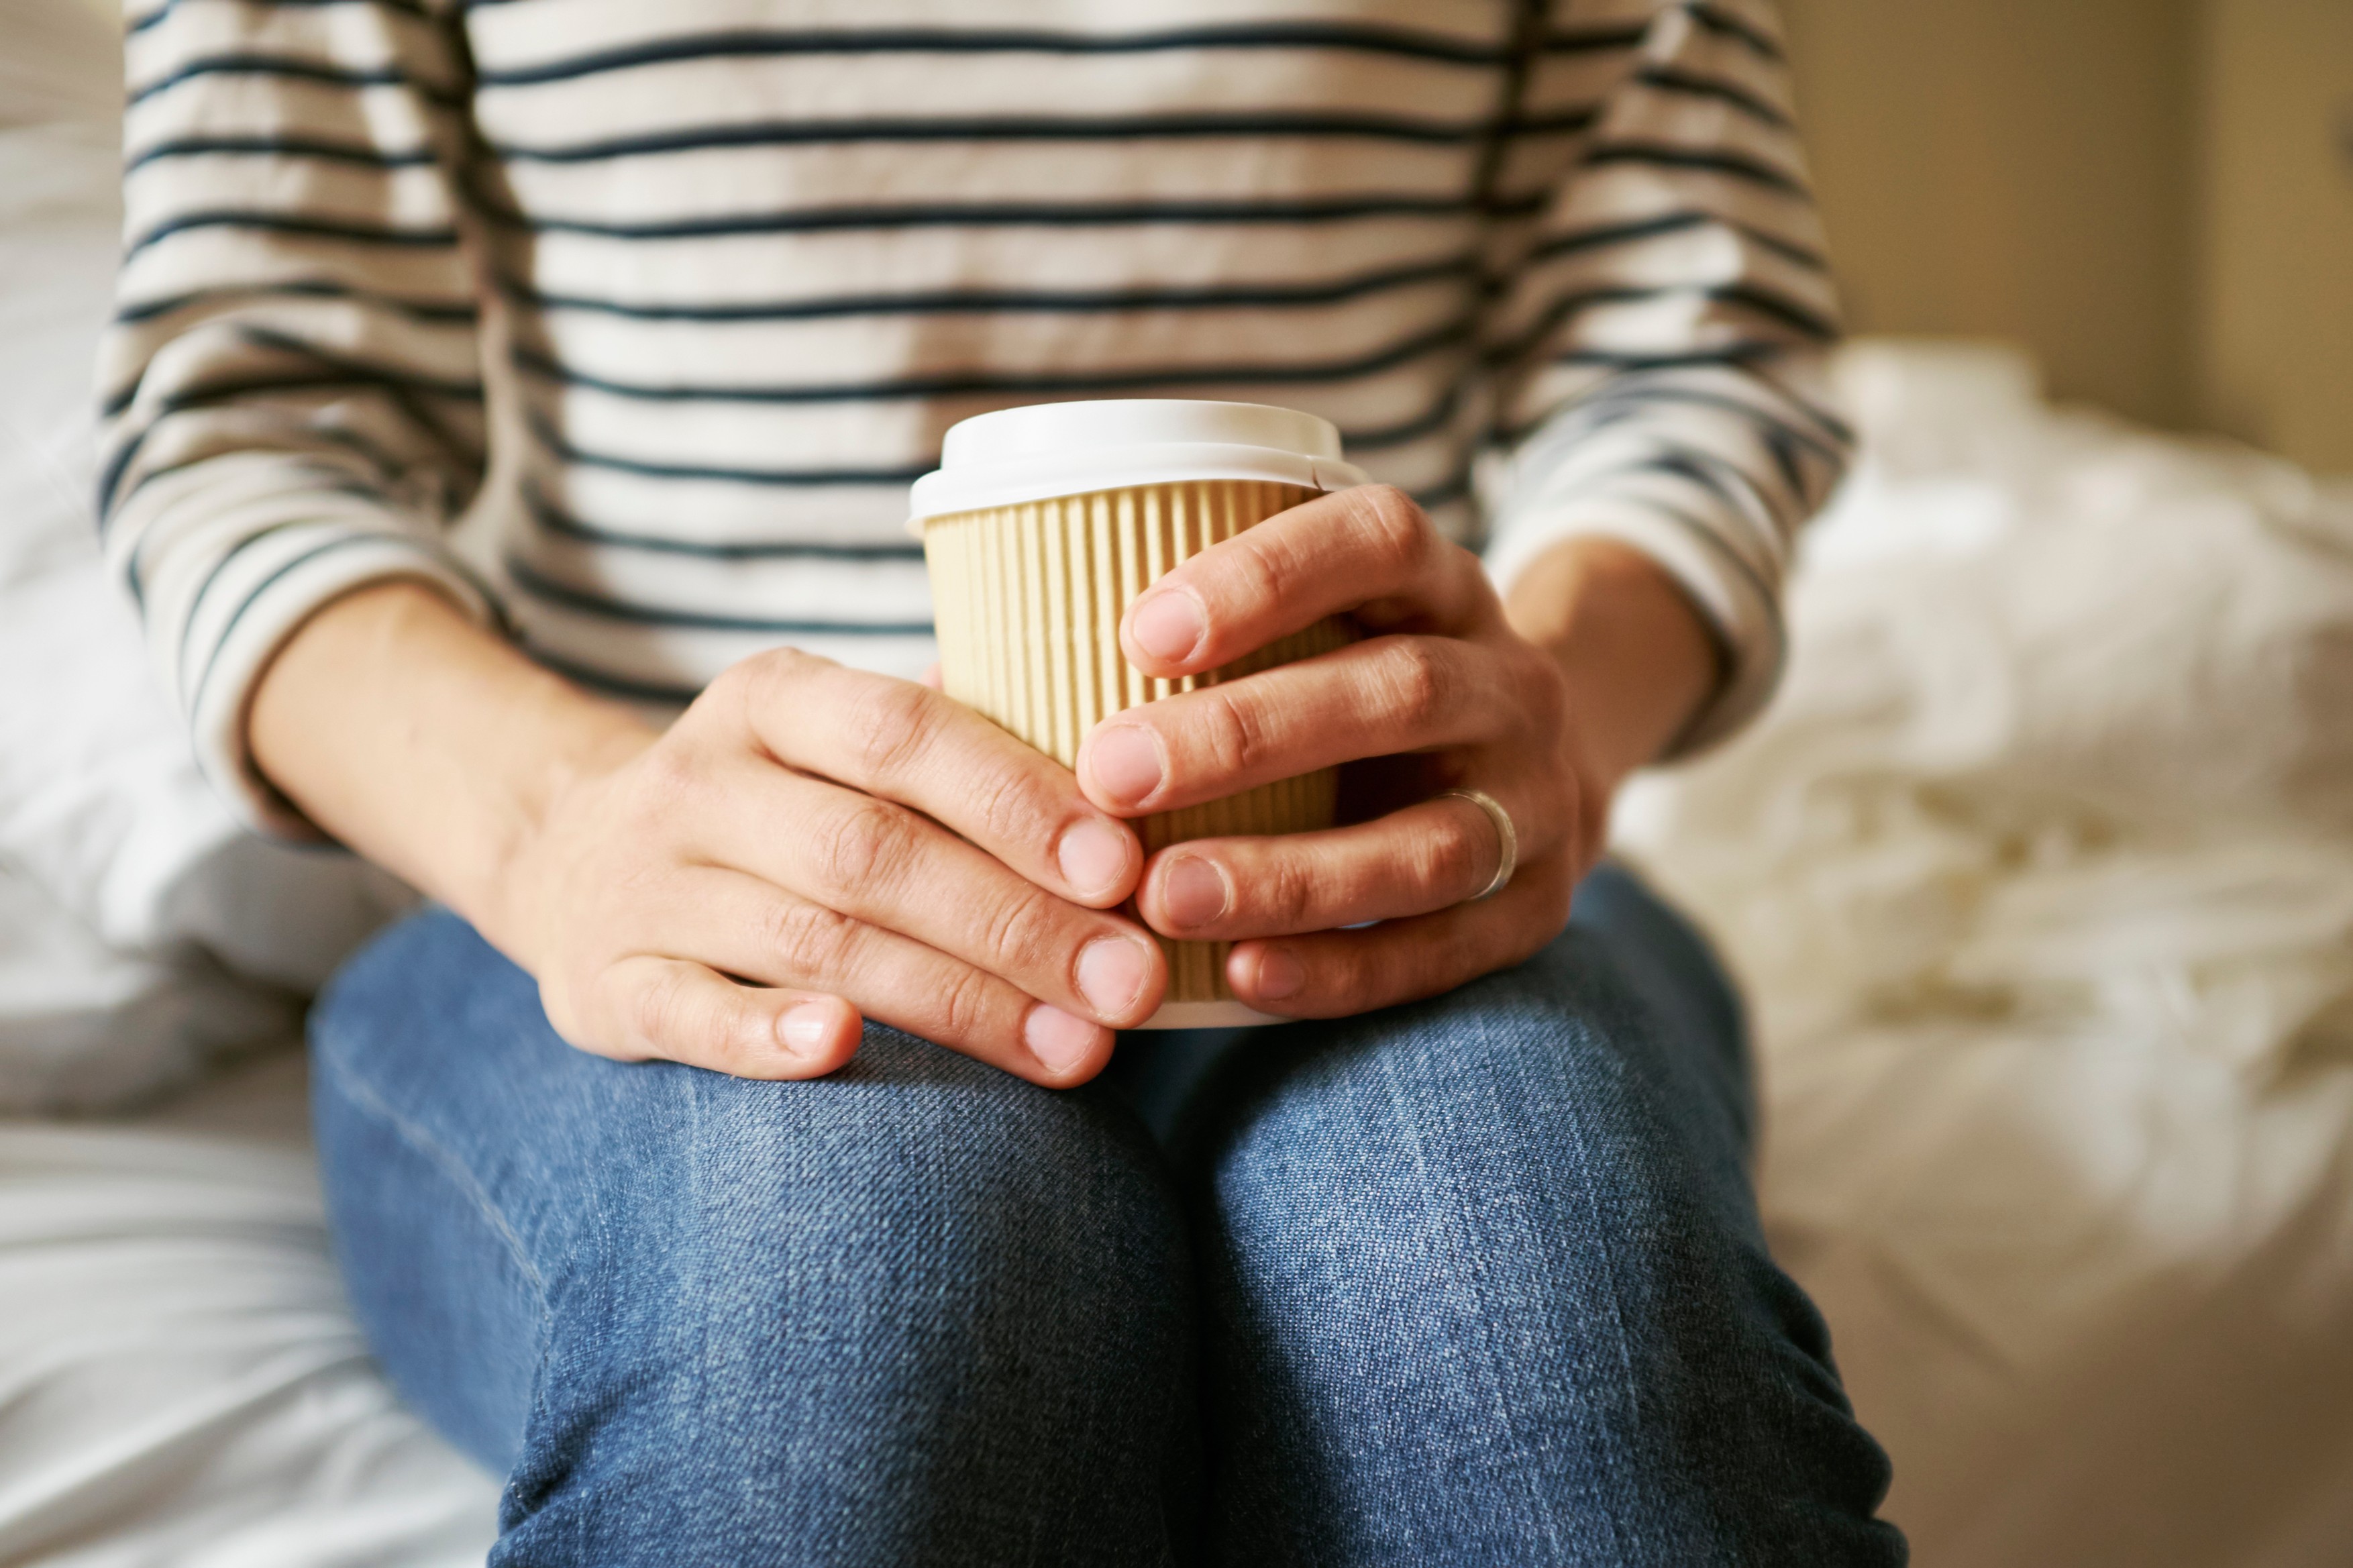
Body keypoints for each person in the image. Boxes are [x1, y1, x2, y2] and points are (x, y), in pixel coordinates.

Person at [103, 0, 1904, 1560]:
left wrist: (1546, 724)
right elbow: (250, 425)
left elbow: (1690, 368)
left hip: (1366, 869)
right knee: (866, 1316)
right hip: (660, 872)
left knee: (1530, 1320)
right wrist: (566, 824)